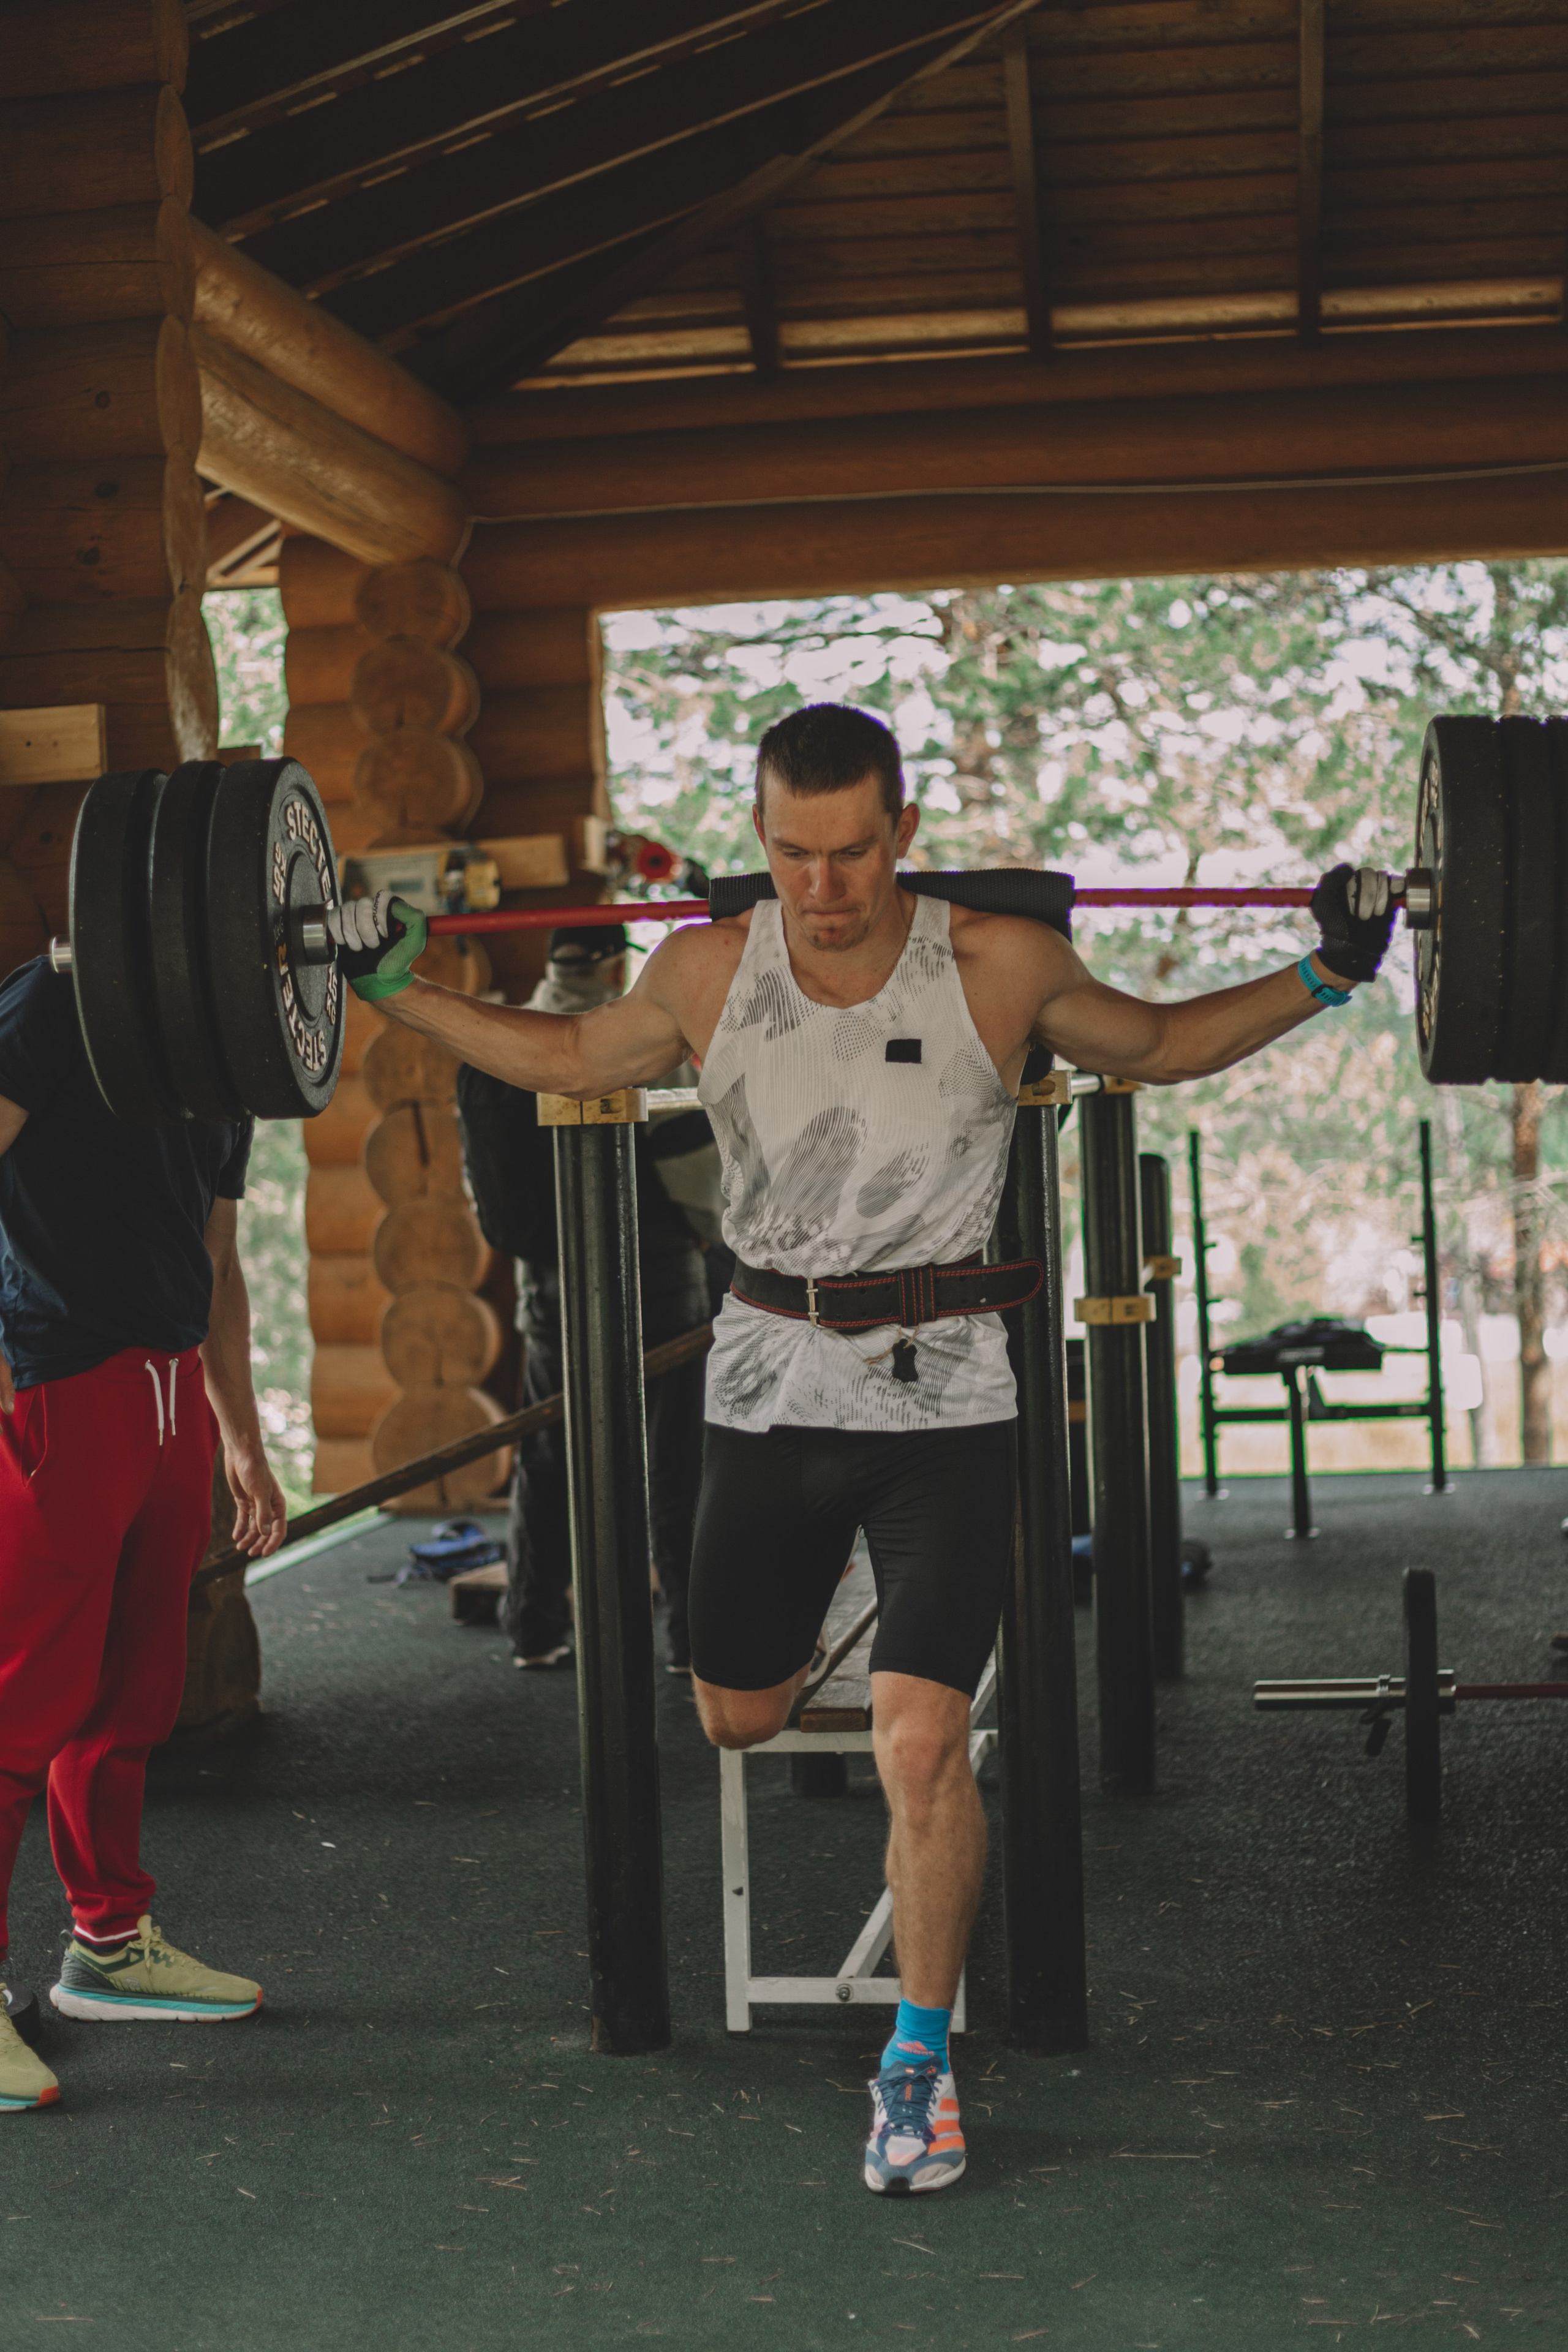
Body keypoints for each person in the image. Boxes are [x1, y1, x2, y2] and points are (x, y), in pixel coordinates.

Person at [327, 700, 1397, 2196]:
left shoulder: (994, 963)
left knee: (916, 1745)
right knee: (735, 1719)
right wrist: (397, 993)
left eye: (847, 851)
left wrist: (1327, 969)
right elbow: (567, 1048)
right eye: (788, 852)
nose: (820, 886)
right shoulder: (705, 967)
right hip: (765, 1396)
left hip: (943, 1401)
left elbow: (1154, 1044)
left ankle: (914, 2064)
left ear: (900, 829)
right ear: (759, 837)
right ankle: (844, 1617)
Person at [0, 956, 287, 2114]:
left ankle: (108, 1946)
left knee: (131, 1698)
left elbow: (215, 1259)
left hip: (166, 1389)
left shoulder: (232, 1043)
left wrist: (243, 1438)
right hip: (57, 1385)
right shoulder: (52, 1006)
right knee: (18, 1702)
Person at [454, 925, 715, 1672]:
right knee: (677, 1458)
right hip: (660, 1276)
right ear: (612, 963)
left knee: (548, 1447)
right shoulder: (632, 1041)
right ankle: (690, 1640)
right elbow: (699, 1174)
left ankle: (534, 1624)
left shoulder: (503, 1049)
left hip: (550, 1282)